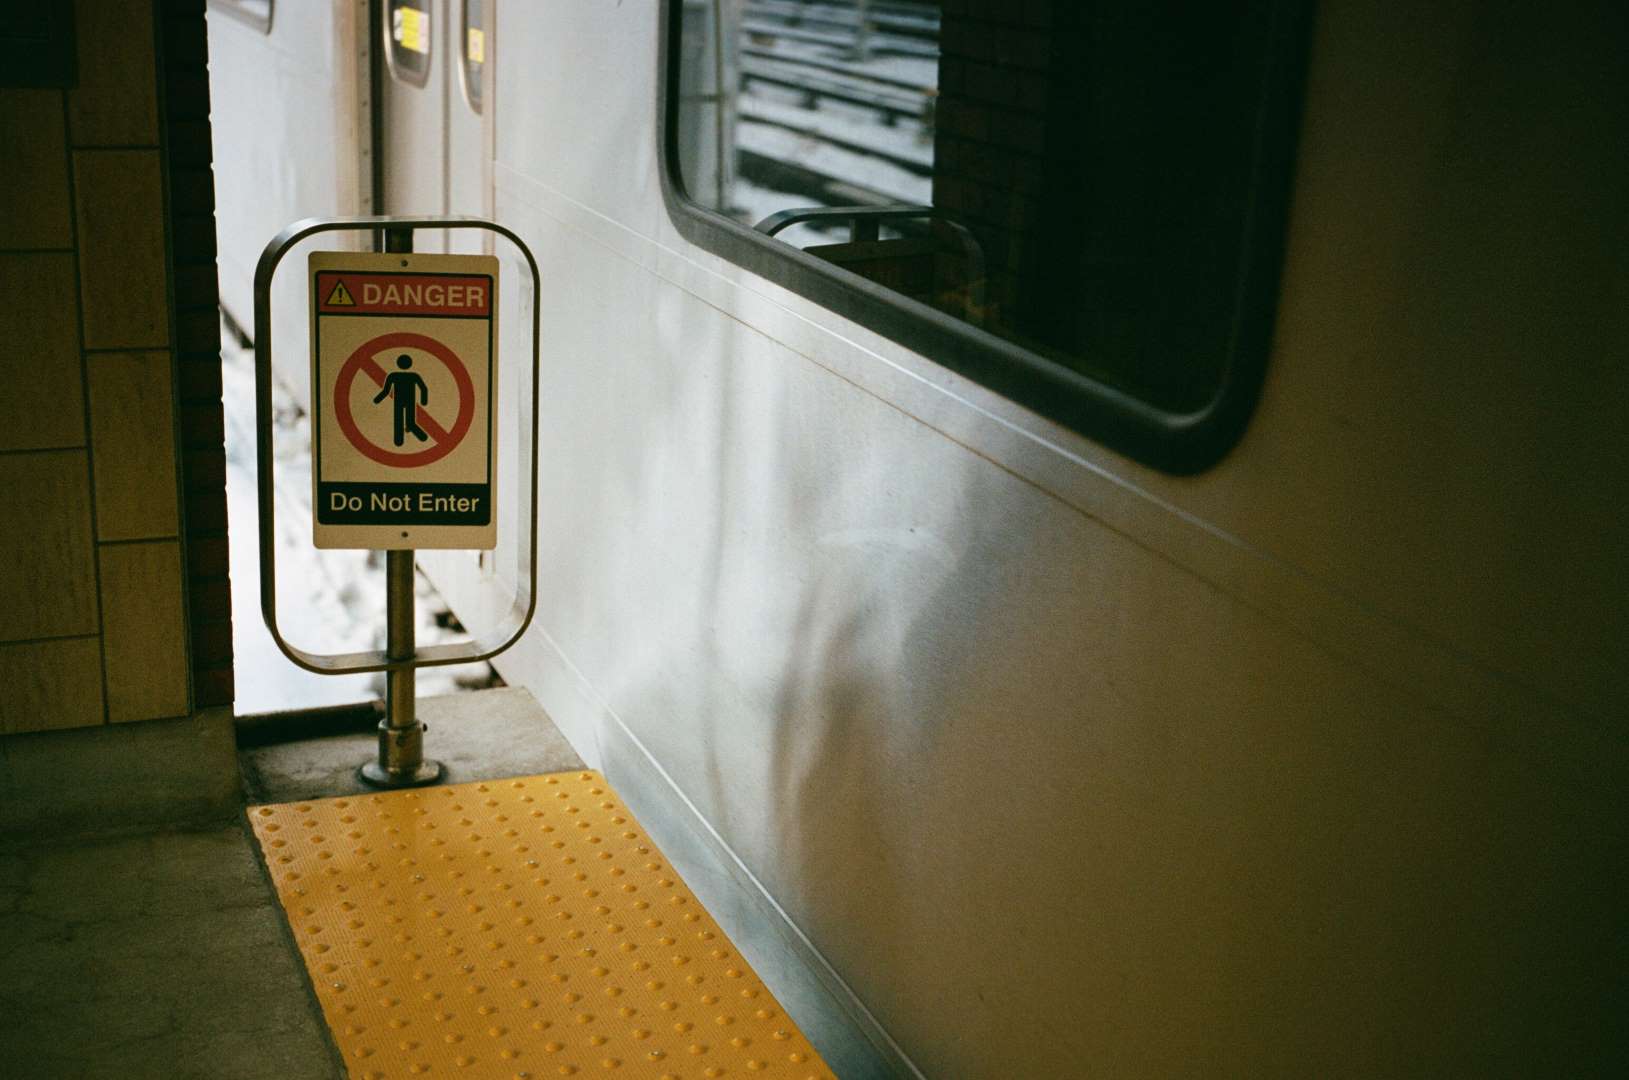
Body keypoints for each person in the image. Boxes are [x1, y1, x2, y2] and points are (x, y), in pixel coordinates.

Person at [373, 354, 429, 446]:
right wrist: (424, 400)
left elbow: (386, 391)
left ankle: (401, 440)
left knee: (399, 421)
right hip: (409, 401)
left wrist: (377, 399)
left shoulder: (393, 375)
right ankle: (421, 437)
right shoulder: (413, 376)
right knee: (409, 422)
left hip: (399, 401)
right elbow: (423, 388)